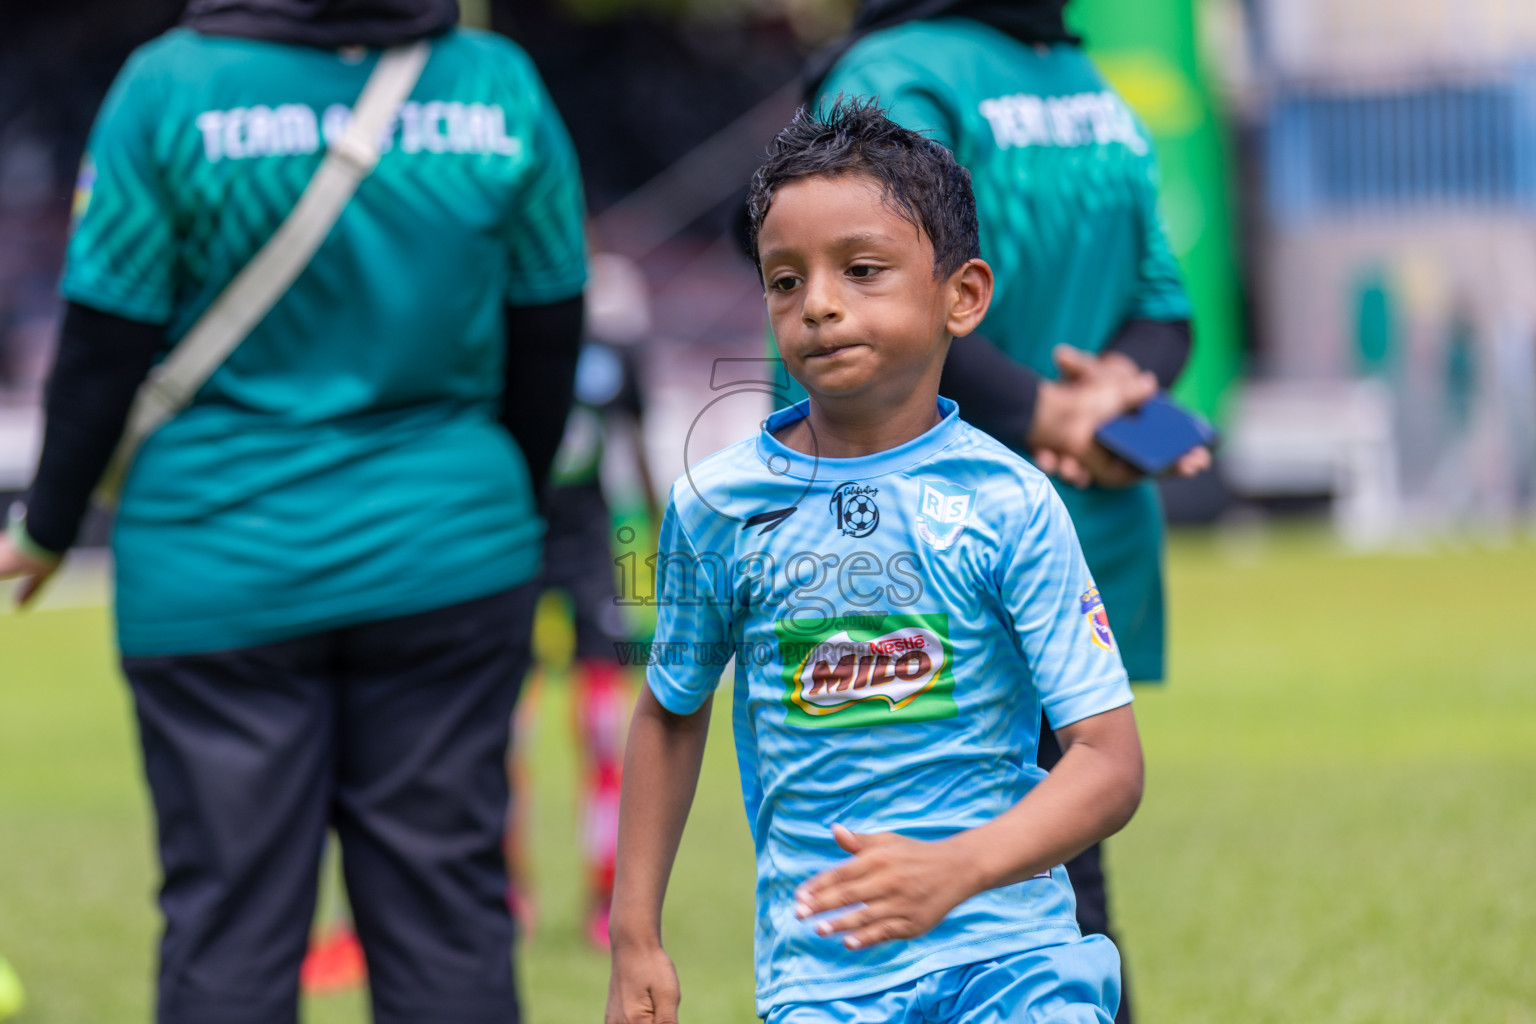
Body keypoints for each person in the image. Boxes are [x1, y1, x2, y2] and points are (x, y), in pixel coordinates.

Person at [0, 1, 587, 1021]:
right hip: (449, 547)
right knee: (447, 920)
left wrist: (48, 526)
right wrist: (495, 507)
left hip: (216, 566)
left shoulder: (170, 87)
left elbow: (102, 343)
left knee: (228, 923)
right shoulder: (495, 85)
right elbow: (548, 331)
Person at [607, 100, 1144, 1024]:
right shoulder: (717, 508)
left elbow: (1108, 761)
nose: (817, 303)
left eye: (861, 271)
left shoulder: (1010, 502)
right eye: (784, 280)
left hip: (1013, 955)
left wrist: (959, 867)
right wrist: (634, 937)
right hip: (827, 981)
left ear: (961, 296)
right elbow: (668, 715)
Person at [808, 4, 1210, 1018]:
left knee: (933, 902)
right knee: (1060, 868)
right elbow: (1165, 307)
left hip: (920, 540)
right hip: (1065, 517)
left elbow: (865, 296)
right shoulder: (1094, 91)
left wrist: (1060, 412)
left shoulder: (891, 68)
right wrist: (1105, 407)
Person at [506, 250, 658, 950]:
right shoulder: (503, 340)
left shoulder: (614, 354)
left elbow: (636, 445)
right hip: (517, 545)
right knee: (512, 730)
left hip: (594, 552)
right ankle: (513, 892)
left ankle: (605, 901)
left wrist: (662, 532)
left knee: (605, 729)